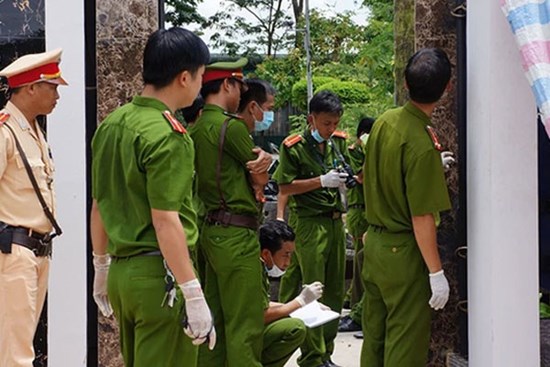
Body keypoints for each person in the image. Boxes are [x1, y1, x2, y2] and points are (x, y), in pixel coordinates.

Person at [90, 28, 215, 367]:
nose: (201, 85)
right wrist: (192, 291)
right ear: (184, 77)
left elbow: (99, 205)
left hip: (122, 274)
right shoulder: (169, 135)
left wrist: (101, 266)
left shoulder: (112, 125)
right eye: (202, 76)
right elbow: (165, 220)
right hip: (161, 276)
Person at [360, 47, 453, 367]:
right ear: (447, 89)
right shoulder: (421, 143)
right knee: (405, 342)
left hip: (374, 244)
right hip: (403, 253)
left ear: (405, 82)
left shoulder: (385, 121)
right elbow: (422, 216)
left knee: (374, 337)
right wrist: (436, 272)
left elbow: (379, 174)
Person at [191, 62, 272, 367]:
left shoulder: (196, 127)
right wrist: (263, 165)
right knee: (245, 322)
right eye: (238, 85)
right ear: (227, 85)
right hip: (237, 234)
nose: (240, 92)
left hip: (210, 230)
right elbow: (260, 176)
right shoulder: (231, 127)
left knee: (216, 322)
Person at [0, 48, 67, 367]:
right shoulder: (5, 131)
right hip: (13, 252)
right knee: (16, 355)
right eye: (52, 87)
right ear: (30, 88)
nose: (57, 95)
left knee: (19, 344)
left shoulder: (33, 130)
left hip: (35, 252)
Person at [273, 90, 349, 367]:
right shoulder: (293, 147)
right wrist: (320, 181)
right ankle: (313, 357)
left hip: (334, 222)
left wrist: (344, 180)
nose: (331, 129)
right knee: (314, 288)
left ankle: (326, 352)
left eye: (335, 123)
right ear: (311, 119)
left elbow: (354, 173)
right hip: (309, 222)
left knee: (335, 290)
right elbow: (284, 186)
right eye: (326, 123)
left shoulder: (337, 143)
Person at [259, 219, 326, 367]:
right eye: (285, 255)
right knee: (295, 328)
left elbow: (261, 303)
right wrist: (299, 302)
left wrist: (304, 307)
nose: (288, 262)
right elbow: (260, 315)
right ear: (266, 253)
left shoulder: (259, 267)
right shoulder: (253, 272)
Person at [338, 117, 375, 337]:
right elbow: (360, 177)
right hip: (359, 211)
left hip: (366, 211)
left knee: (363, 262)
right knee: (362, 262)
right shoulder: (354, 151)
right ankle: (355, 309)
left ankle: (355, 306)